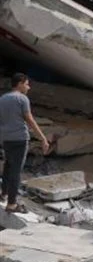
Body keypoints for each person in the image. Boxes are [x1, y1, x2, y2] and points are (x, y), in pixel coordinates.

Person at [0, 73, 49, 213]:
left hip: (6, 138)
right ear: (20, 84)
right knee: (16, 171)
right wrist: (43, 138)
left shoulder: (2, 99)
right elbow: (30, 119)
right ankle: (12, 204)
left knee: (8, 166)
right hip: (20, 139)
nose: (28, 87)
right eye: (27, 84)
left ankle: (3, 194)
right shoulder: (22, 99)